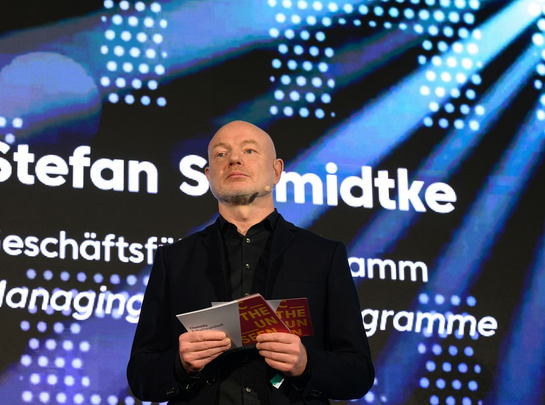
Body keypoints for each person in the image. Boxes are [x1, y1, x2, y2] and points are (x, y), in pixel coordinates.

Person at [127, 121, 374, 404]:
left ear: (277, 170)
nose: (234, 159)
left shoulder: (323, 255)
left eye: (249, 150)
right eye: (221, 154)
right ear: (209, 176)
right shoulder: (174, 259)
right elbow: (140, 376)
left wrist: (306, 364)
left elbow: (359, 373)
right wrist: (179, 365)